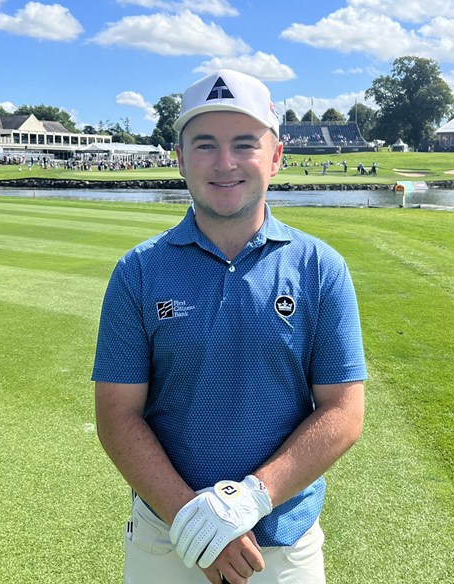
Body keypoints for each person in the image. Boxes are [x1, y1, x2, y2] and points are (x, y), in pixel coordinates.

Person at [92, 69, 367, 584]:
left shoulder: (320, 267)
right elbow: (116, 417)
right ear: (179, 158)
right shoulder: (139, 270)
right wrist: (196, 519)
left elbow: (344, 411)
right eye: (205, 145)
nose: (225, 163)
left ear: (276, 157)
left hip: (281, 546)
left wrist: (252, 497)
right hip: (164, 541)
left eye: (244, 143)